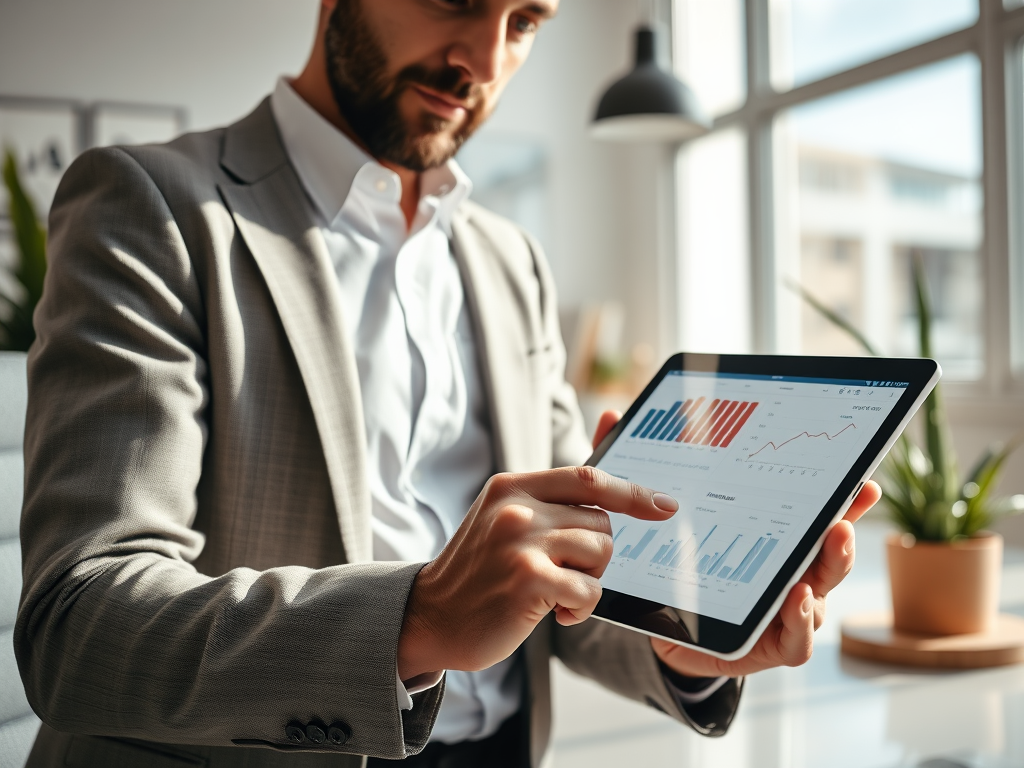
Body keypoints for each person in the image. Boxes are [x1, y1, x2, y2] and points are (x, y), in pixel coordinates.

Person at [15, 1, 881, 766]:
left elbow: (561, 584)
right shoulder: (152, 207)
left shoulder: (510, 260)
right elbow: (78, 622)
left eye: (525, 21)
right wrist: (416, 618)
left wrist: (685, 646)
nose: (486, 58)